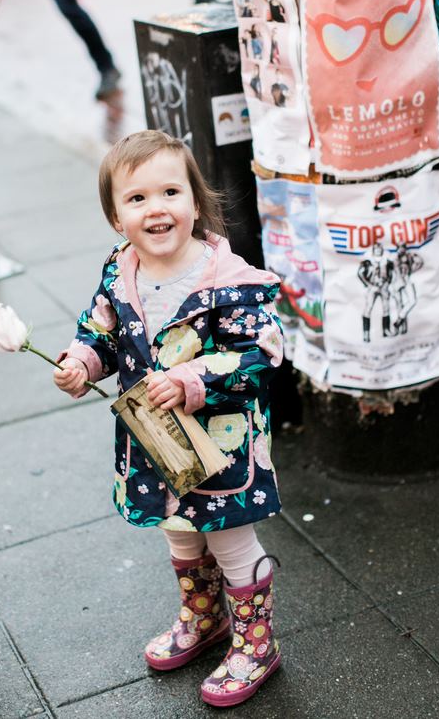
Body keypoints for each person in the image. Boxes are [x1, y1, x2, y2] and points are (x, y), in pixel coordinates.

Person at [54, 130, 284, 707]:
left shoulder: (230, 285)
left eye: (170, 192)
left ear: (195, 203)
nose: (156, 208)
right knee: (178, 532)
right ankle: (204, 617)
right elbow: (101, 331)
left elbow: (260, 354)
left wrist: (193, 380)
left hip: (220, 446)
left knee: (229, 540)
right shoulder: (119, 272)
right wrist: (82, 362)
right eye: (136, 199)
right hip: (158, 446)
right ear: (115, 217)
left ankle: (256, 643)